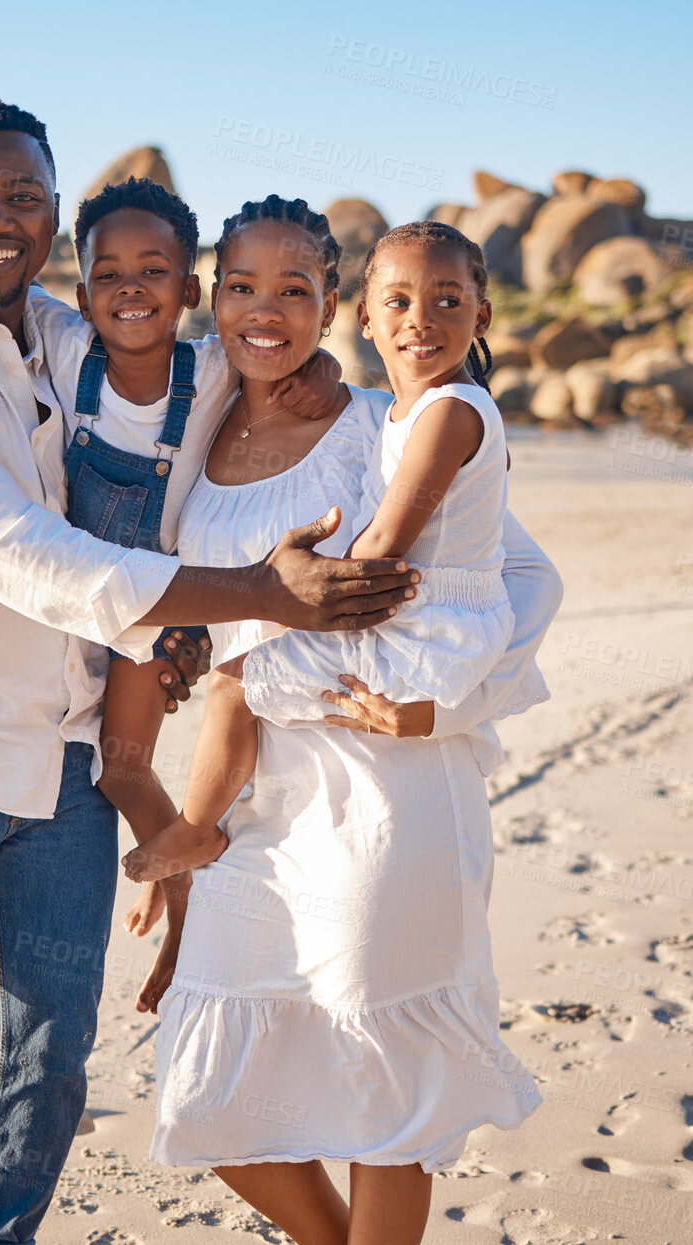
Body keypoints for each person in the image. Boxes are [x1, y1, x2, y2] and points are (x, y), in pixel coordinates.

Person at [0, 101, 420, 1245]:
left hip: (67, 773)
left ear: (51, 218)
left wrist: (337, 364)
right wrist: (255, 595)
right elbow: (31, 560)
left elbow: (247, 345)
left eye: (22, 198)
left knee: (46, 1065)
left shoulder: (55, 325)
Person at [138, 198, 548, 1245]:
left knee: (384, 1086)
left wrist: (441, 709)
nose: (264, 310)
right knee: (214, 1092)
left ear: (333, 307)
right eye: (241, 286)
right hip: (251, 795)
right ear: (211, 297)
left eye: (293, 289)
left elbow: (521, 583)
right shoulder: (190, 424)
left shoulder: (386, 424)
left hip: (384, 786)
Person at [0, 177, 345, 980]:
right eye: (108, 275)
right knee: (119, 766)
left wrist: (331, 368)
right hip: (78, 606)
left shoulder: (211, 372)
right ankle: (182, 881)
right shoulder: (63, 349)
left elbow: (280, 346)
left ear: (190, 290)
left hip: (164, 604)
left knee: (122, 763)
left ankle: (185, 893)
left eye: (154, 272)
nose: (130, 288)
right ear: (79, 292)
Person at [123, 218, 512, 884]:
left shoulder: (413, 414)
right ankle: (198, 829)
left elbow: (493, 567)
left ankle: (193, 827)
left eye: (447, 300)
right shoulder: (197, 409)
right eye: (240, 286)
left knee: (235, 679)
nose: (420, 319)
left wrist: (443, 712)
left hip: (375, 775)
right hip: (261, 804)